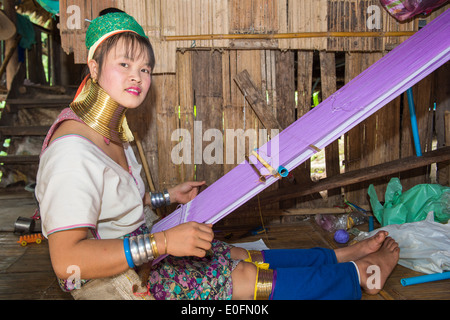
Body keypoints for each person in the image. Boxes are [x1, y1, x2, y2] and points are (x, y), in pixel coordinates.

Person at [35, 8, 399, 300]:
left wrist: (165, 197)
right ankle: (357, 277)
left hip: (136, 248)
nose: (138, 77)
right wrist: (163, 242)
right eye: (125, 64)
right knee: (240, 275)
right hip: (113, 279)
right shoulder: (72, 152)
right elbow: (67, 261)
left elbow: (115, 203)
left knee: (230, 253)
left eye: (145, 68)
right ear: (94, 69)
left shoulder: (113, 134)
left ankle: (341, 256)